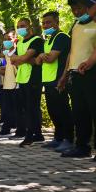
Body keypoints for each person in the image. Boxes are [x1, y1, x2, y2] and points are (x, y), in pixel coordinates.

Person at [57, 0, 96, 160]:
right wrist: (65, 74)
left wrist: (90, 62)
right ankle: (82, 146)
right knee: (79, 112)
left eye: (79, 8)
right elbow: (71, 51)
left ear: (89, 7)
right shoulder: (75, 25)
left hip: (93, 72)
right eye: (73, 9)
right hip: (74, 74)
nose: (76, 12)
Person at [35, 11, 73, 152]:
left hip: (59, 79)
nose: (45, 25)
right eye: (44, 23)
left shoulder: (61, 37)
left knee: (63, 109)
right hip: (47, 79)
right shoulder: (48, 39)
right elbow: (38, 61)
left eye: (49, 22)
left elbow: (50, 58)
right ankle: (58, 138)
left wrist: (42, 56)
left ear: (57, 22)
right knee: (53, 110)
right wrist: (41, 55)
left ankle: (69, 139)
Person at [10, 18, 44, 147]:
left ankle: (30, 136)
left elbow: (23, 58)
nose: (20, 28)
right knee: (26, 107)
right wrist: (24, 59)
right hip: (22, 78)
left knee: (32, 108)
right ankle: (38, 134)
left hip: (33, 78)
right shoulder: (20, 43)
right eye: (18, 26)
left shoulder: (36, 40)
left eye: (23, 25)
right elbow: (13, 60)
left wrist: (22, 59)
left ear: (29, 26)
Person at [0, 30, 18, 137]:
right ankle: (6, 128)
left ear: (15, 39)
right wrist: (3, 69)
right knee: (6, 107)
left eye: (9, 38)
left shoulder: (18, 50)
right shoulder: (7, 53)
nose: (6, 41)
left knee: (17, 107)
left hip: (17, 83)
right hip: (7, 83)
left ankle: (20, 129)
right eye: (5, 39)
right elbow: (9, 66)